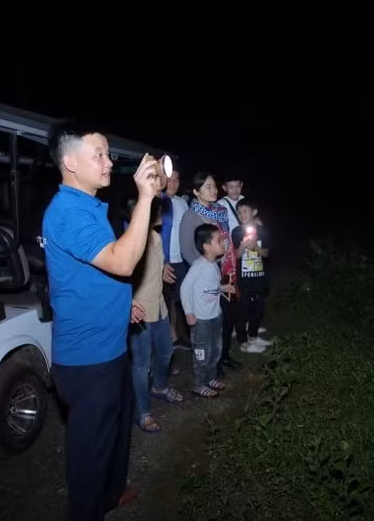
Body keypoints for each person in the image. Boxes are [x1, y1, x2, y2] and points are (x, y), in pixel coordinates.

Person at [42, 121, 160, 521]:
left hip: (111, 348)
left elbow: (92, 271)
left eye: (108, 154)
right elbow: (123, 261)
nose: (109, 163)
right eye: (100, 155)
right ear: (70, 162)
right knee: (89, 455)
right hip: (86, 360)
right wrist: (145, 198)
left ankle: (111, 493)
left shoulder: (88, 206)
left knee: (116, 433)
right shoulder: (66, 212)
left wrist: (120, 304)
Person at [129, 194, 183, 434]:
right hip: (139, 310)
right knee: (141, 365)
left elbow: (154, 267)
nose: (163, 214)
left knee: (166, 351)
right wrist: (128, 302)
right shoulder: (132, 240)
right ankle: (142, 413)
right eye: (159, 210)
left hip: (158, 304)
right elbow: (121, 275)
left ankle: (159, 387)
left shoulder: (156, 237)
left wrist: (162, 271)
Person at [179, 172, 242, 375]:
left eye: (214, 186)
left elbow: (227, 242)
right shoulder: (191, 216)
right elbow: (187, 249)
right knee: (210, 322)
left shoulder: (220, 211)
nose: (213, 190)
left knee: (227, 316)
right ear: (196, 191)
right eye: (207, 187)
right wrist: (206, 268)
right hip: (205, 276)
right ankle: (210, 366)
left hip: (225, 269)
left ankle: (223, 355)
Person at [180, 223, 235, 397]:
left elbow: (210, 287)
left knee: (215, 350)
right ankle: (198, 384)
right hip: (200, 319)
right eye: (219, 241)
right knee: (201, 353)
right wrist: (189, 312)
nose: (223, 243)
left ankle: (210, 378)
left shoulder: (213, 264)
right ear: (206, 246)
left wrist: (224, 287)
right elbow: (185, 289)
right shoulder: (198, 266)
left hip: (214, 316)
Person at [231, 198, 274, 353]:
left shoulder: (263, 231)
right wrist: (243, 247)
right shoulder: (236, 232)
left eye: (245, 211)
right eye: (239, 212)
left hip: (260, 277)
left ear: (254, 212)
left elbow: (267, 253)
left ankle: (253, 336)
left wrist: (255, 246)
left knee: (259, 308)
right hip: (243, 279)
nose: (242, 215)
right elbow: (236, 255)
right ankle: (243, 341)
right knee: (243, 309)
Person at [162, 169, 190, 347]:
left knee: (178, 300)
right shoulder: (156, 201)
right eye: (169, 180)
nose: (172, 184)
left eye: (176, 180)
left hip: (181, 259)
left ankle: (175, 335)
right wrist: (161, 262)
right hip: (164, 261)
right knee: (163, 301)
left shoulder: (182, 203)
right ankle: (166, 340)